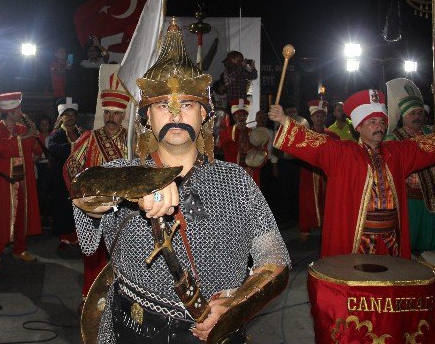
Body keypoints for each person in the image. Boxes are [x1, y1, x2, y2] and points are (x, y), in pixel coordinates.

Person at [71, 19, 289, 343]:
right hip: (132, 330)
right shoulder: (121, 171)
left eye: (187, 104)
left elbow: (275, 260)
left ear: (205, 114)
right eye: (162, 105)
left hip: (214, 331)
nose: (175, 114)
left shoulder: (236, 182)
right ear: (147, 116)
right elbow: (85, 190)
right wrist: (139, 184)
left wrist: (235, 305)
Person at [269, 88, 435, 258]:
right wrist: (284, 119)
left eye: (382, 122)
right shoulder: (342, 152)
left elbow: (426, 146)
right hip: (358, 238)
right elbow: (315, 144)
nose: (379, 127)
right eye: (372, 122)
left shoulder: (397, 151)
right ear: (358, 126)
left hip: (391, 238)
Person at [64, 72, 130, 313]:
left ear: (123, 115)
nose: (111, 118)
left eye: (116, 113)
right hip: (95, 208)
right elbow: (71, 166)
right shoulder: (90, 138)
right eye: (108, 113)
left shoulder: (131, 141)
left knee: (122, 253)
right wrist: (83, 193)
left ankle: (121, 297)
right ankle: (89, 296)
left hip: (123, 208)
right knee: (94, 254)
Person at [385, 78, 435, 254]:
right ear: (402, 116)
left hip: (429, 196)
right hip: (405, 198)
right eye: (412, 113)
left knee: (429, 251)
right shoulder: (392, 138)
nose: (417, 116)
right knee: (405, 246)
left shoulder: (431, 133)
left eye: (419, 112)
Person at [0, 92, 42, 270]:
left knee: (21, 218)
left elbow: (36, 150)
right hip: (5, 182)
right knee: (1, 218)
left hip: (23, 181)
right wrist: (26, 137)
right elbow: (4, 148)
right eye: (18, 109)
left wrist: (34, 133)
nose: (21, 112)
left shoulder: (20, 128)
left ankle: (20, 249)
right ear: (9, 112)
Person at [297, 100, 339, 242]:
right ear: (311, 118)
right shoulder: (305, 135)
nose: (319, 119)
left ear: (326, 117)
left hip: (327, 173)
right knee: (307, 200)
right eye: (317, 116)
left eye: (322, 116)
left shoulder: (333, 136)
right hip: (309, 172)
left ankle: (329, 228)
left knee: (329, 199)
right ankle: (305, 228)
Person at [47, 97, 82, 250]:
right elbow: (54, 149)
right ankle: (64, 238)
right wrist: (75, 146)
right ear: (61, 117)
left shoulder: (80, 132)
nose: (70, 117)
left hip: (79, 178)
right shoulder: (56, 134)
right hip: (61, 179)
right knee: (63, 207)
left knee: (78, 207)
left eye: (72, 115)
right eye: (67, 115)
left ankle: (77, 235)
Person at [217, 99, 261, 183]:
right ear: (233, 117)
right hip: (233, 172)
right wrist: (235, 128)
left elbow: (260, 151)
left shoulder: (252, 132)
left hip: (249, 172)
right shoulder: (226, 131)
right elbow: (221, 143)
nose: (242, 117)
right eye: (239, 115)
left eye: (244, 115)